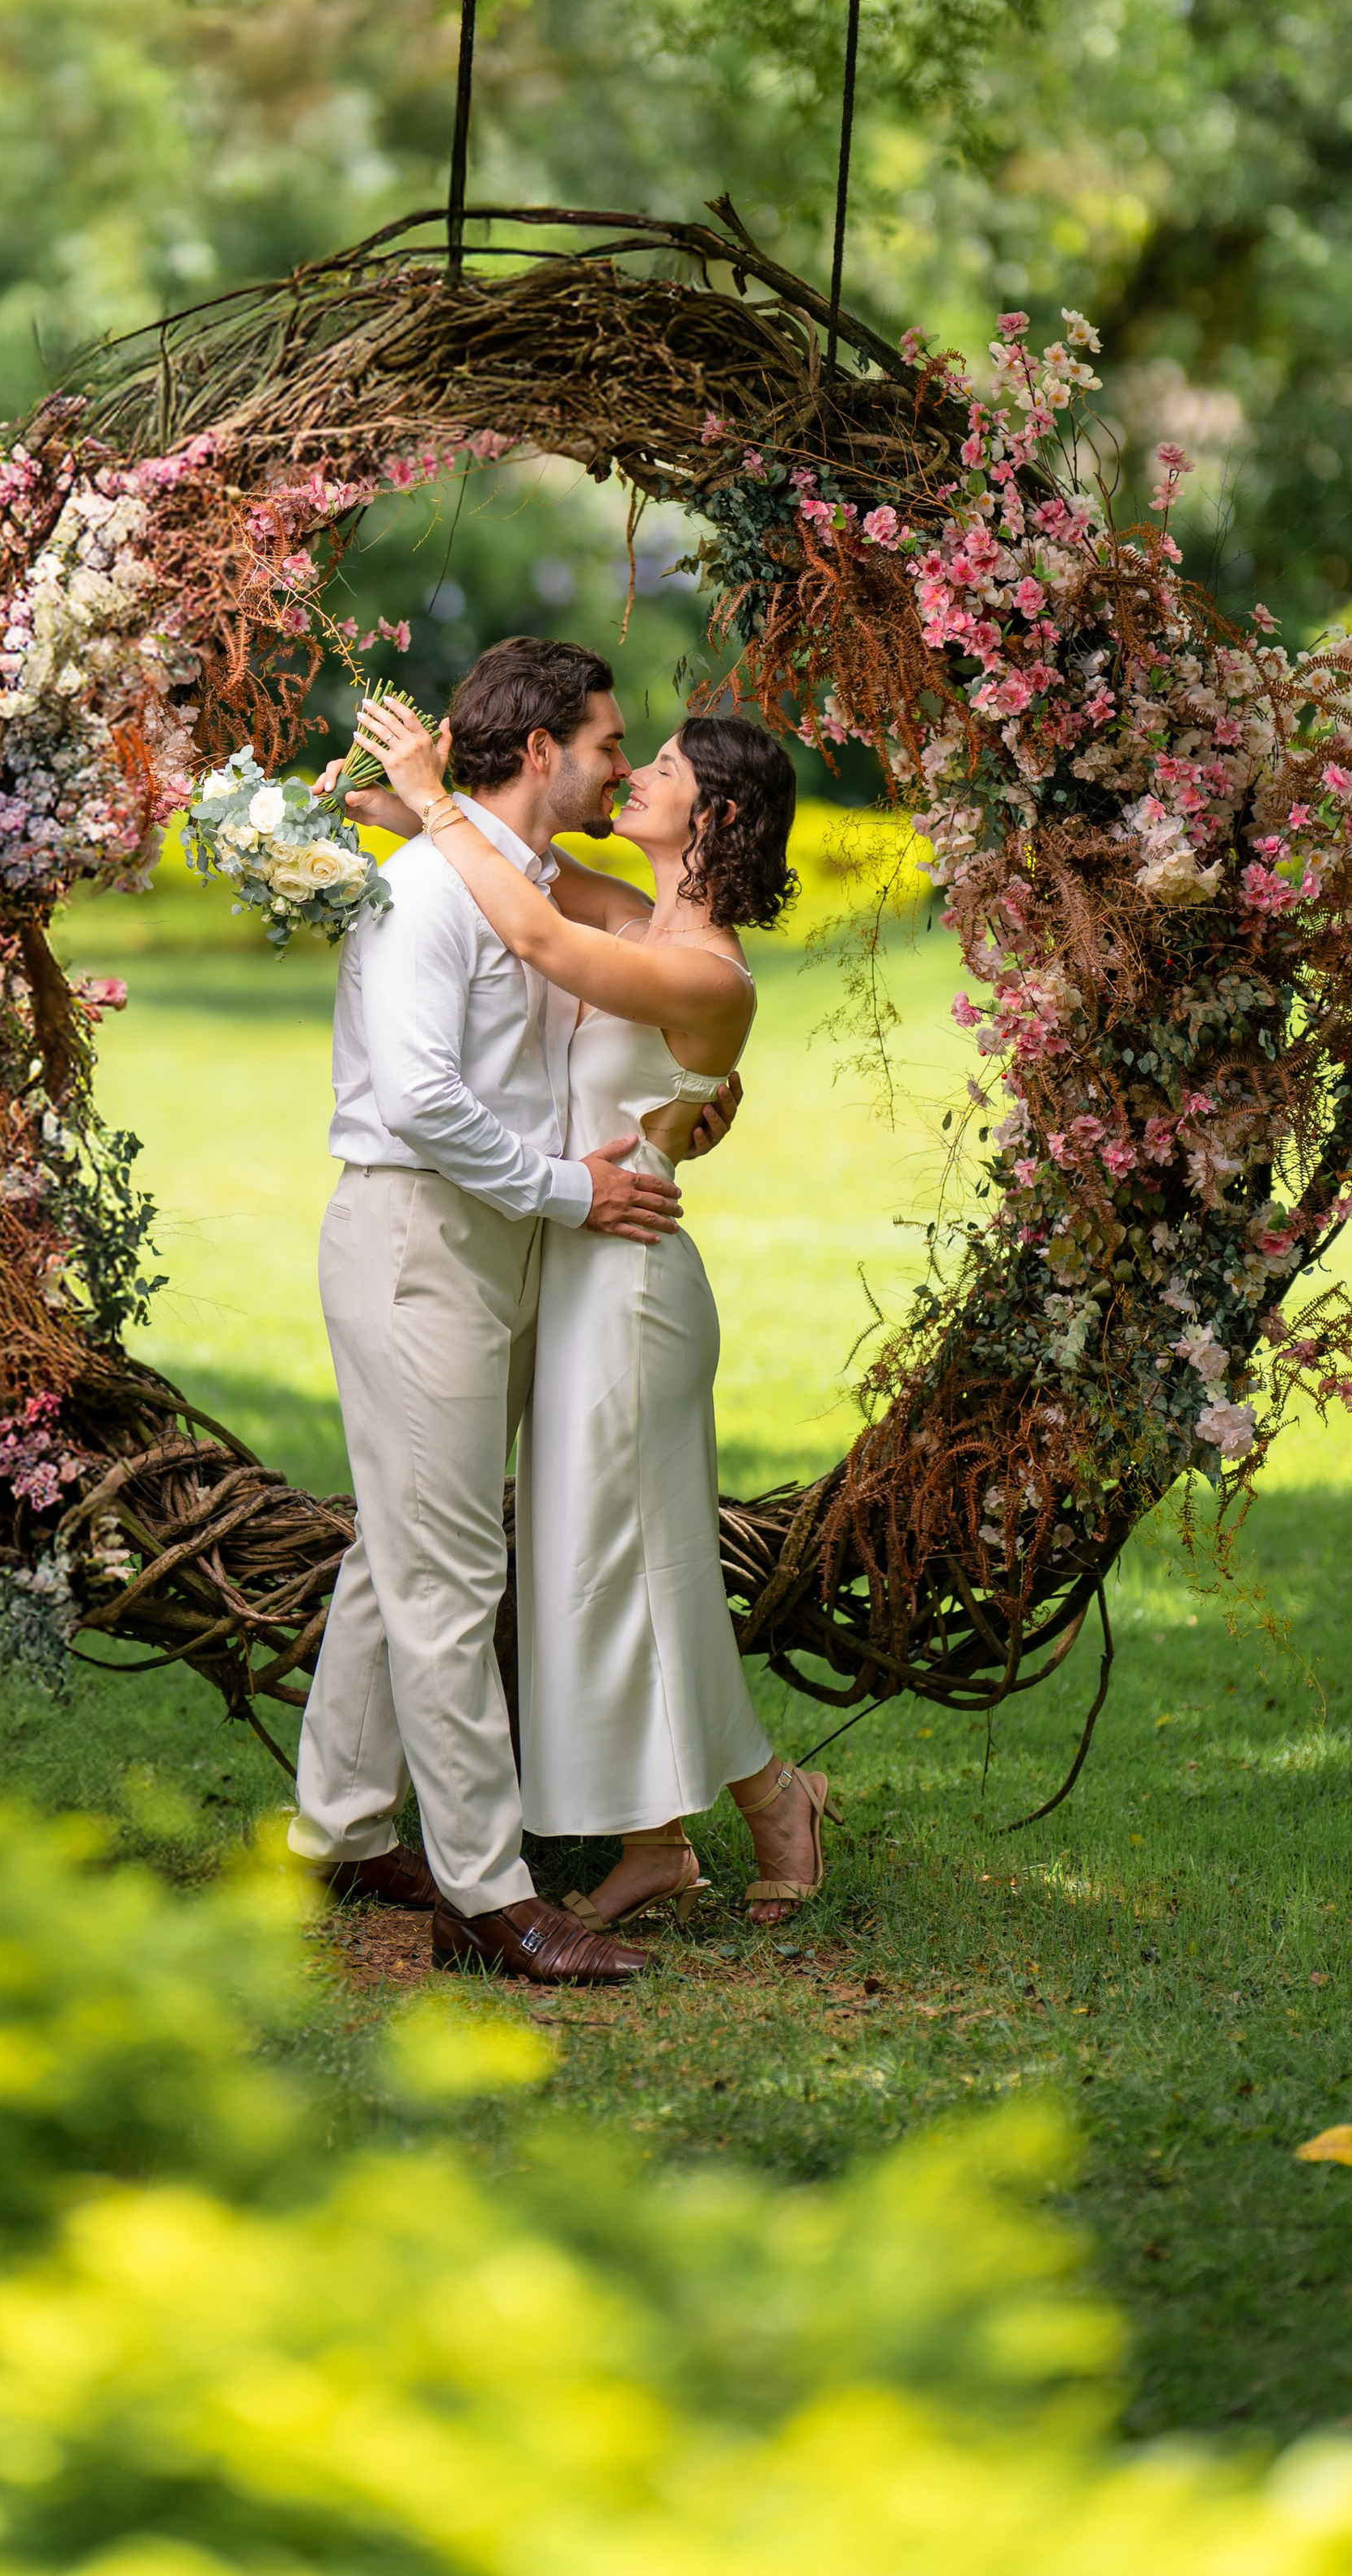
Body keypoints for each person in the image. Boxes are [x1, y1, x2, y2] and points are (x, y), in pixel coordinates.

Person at [286, 638, 735, 1988]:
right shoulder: (431, 891)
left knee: (406, 1548)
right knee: (449, 1573)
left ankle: (343, 1827)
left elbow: (643, 996)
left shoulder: (527, 879)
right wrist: (565, 1191)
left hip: (510, 1237)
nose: (620, 761)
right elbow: (422, 1102)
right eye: (608, 741)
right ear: (540, 750)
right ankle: (485, 1894)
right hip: (424, 1237)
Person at [346, 690, 831, 1933]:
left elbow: (543, 945)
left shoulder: (704, 970)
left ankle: (773, 1799)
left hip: (631, 1282)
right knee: (585, 1558)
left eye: (655, 765)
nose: (633, 776)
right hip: (571, 1254)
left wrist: (433, 797)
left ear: (708, 814)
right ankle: (657, 1841)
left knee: (638, 1561)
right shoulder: (635, 907)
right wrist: (393, 794)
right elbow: (470, 862)